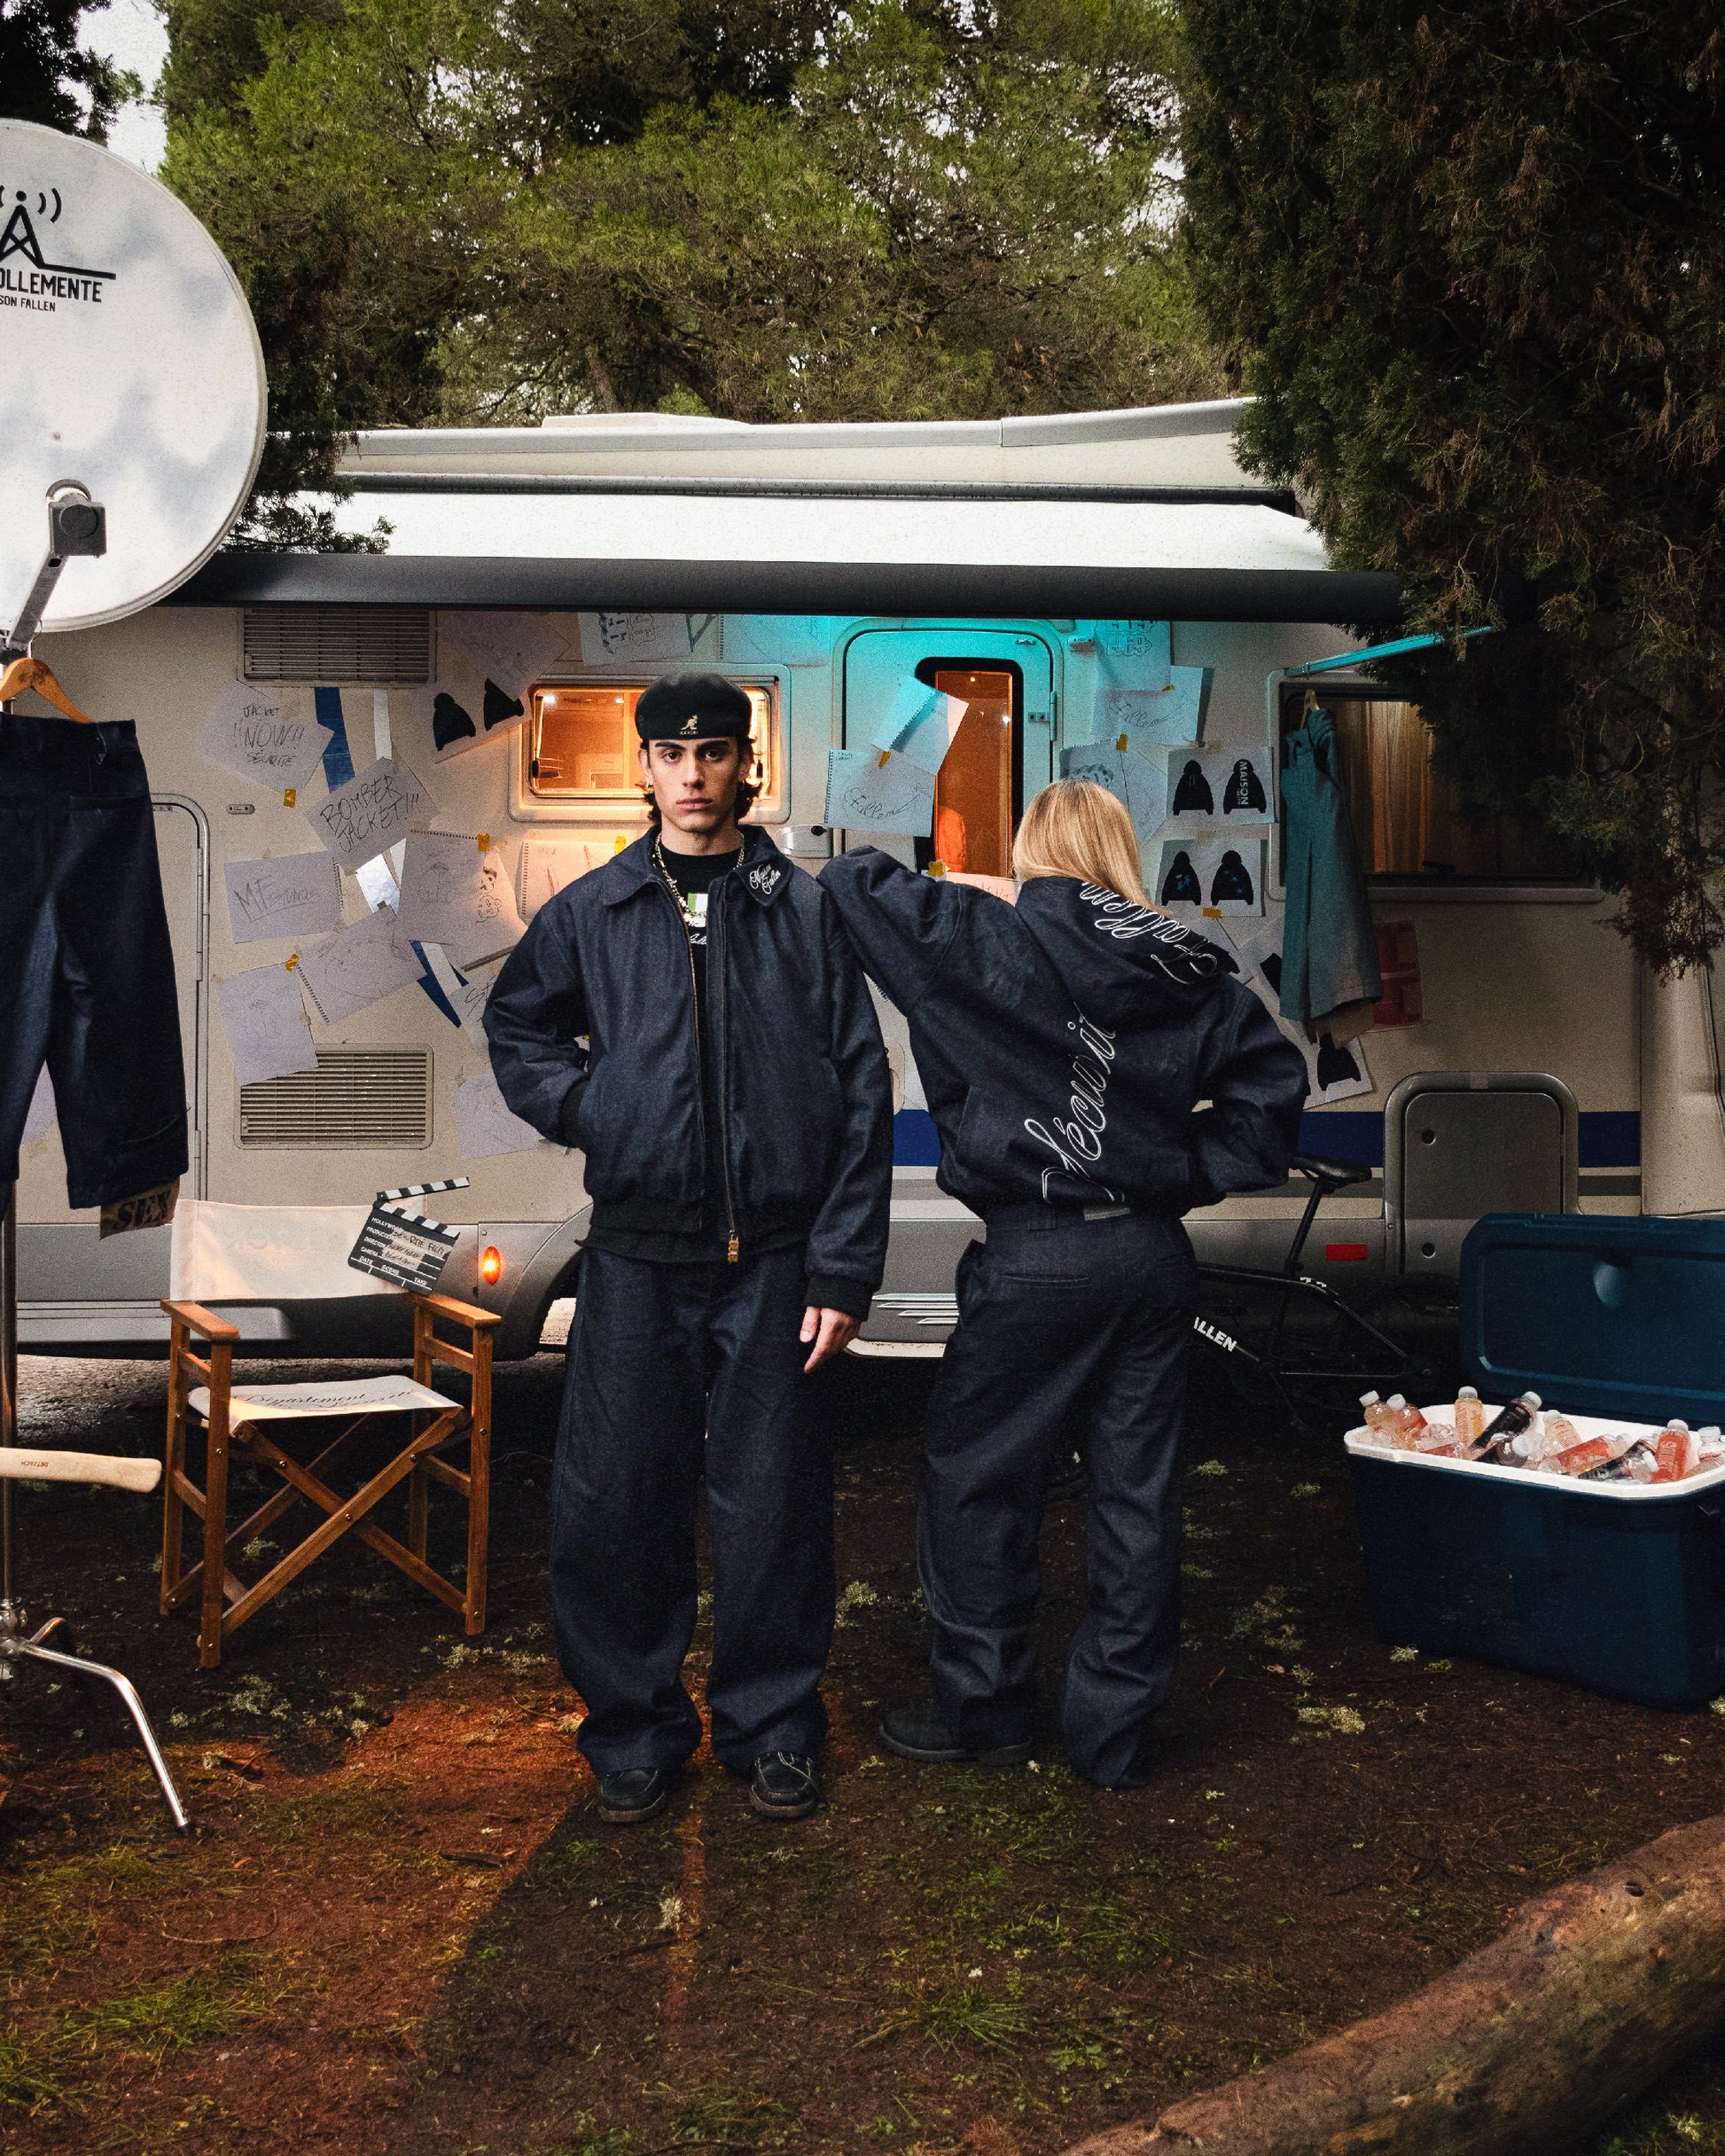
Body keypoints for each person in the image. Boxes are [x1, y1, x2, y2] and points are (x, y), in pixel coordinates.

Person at [821, 779, 1307, 1788]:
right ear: (1124, 853)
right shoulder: (1185, 963)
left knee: (980, 1481)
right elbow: (1267, 1106)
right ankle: (1111, 1736)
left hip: (1034, 1254)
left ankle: (988, 1713)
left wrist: (991, 888)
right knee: (1136, 1493)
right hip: (1149, 1257)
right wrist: (1172, 1171)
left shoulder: (978, 934)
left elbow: (850, 879)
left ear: (1029, 852)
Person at [485, 673, 893, 1825]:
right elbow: (516, 1025)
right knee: (616, 1502)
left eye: (714, 752)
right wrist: (590, 1106)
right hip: (634, 1258)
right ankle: (633, 1731)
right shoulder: (597, 907)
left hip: (774, 1263)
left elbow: (861, 1086)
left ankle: (774, 1727)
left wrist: (841, 1266)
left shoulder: (800, 909)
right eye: (672, 753)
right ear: (644, 767)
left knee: (773, 1507)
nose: (693, 774)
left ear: (744, 766)